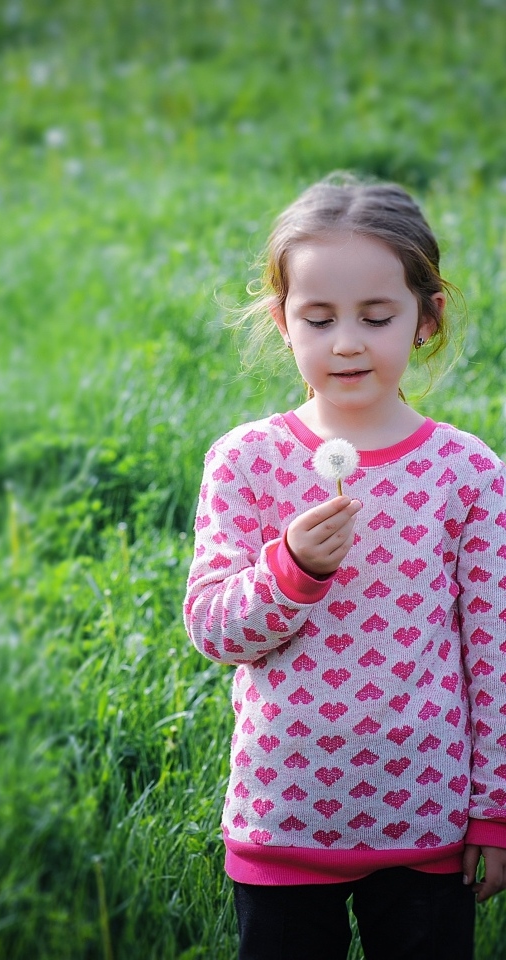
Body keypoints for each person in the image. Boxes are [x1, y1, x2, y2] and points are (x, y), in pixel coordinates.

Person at [183, 173, 506, 960]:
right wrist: (290, 568)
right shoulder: (247, 462)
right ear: (281, 322)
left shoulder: (467, 473)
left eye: (377, 315)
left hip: (426, 824)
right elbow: (214, 628)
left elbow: (495, 651)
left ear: (426, 319)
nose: (348, 341)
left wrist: (494, 810)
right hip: (282, 821)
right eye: (318, 318)